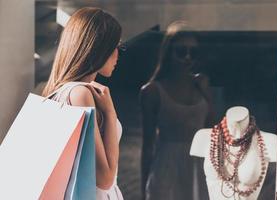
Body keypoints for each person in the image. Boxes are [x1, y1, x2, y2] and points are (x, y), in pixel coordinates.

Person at [42, 7, 124, 200]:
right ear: (99, 47)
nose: (118, 54)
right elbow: (105, 179)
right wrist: (110, 114)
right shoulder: (80, 94)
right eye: (115, 45)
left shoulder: (59, 91)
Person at [140, 21, 214, 200]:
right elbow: (147, 144)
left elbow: (213, 129)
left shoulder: (202, 85)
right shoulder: (152, 91)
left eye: (193, 53)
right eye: (181, 51)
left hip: (199, 166)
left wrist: (206, 93)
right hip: (167, 166)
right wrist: (143, 190)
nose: (187, 57)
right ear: (168, 52)